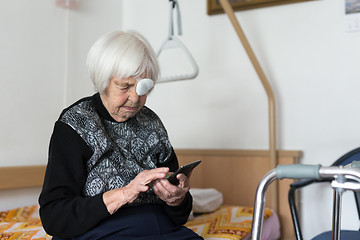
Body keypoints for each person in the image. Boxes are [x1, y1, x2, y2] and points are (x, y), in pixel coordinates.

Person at [39, 30, 203, 240]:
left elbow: (179, 216)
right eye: (124, 86)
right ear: (103, 81)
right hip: (98, 230)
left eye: (143, 88)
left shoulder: (151, 123)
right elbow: (54, 216)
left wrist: (177, 199)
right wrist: (125, 193)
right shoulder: (76, 124)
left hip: (159, 228)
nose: (135, 99)